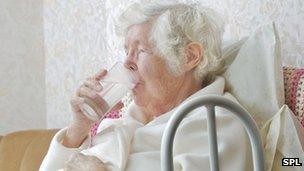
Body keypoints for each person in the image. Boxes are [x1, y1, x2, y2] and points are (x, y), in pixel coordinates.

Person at [40, 3, 254, 171]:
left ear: (189, 57)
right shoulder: (120, 123)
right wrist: (78, 128)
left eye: (140, 50)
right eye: (127, 51)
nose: (126, 63)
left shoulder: (217, 125)